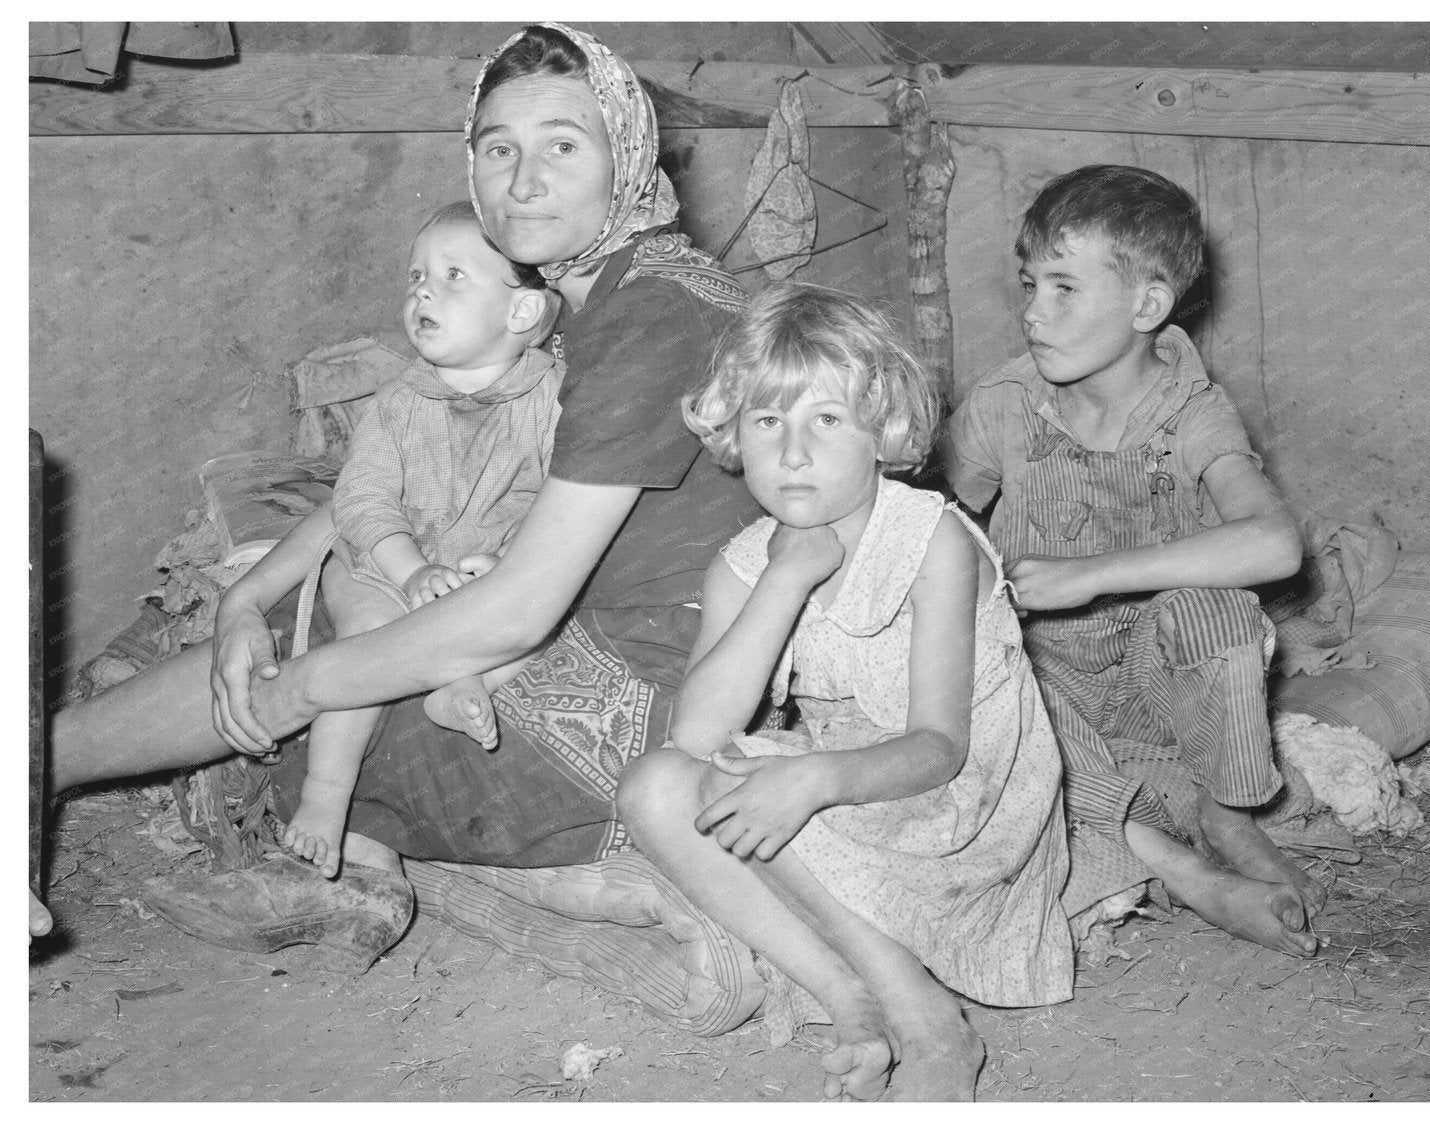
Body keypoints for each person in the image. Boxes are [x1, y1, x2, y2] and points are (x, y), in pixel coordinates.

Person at [41, 24, 761, 970]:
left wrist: (310, 679)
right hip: (611, 642)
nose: (524, 181)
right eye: (497, 148)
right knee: (349, 592)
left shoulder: (646, 317)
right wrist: (244, 597)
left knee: (331, 699)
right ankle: (45, 754)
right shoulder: (608, 292)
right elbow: (389, 492)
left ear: (626, 158)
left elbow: (517, 612)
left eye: (562, 145)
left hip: (651, 704)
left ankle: (48, 761)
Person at [618, 284, 1074, 1102]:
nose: (793, 453)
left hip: (961, 804)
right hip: (846, 788)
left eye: (826, 420)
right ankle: (849, 995)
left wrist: (813, 778)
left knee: (738, 781)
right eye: (767, 422)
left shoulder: (930, 539)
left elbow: (942, 748)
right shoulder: (745, 563)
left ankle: (931, 1025)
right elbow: (695, 734)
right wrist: (784, 579)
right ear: (734, 434)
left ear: (883, 430)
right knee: (655, 788)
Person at [943, 164, 1322, 958]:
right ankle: (1184, 870)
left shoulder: (1192, 413)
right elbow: (933, 525)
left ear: (1148, 305)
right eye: (1028, 286)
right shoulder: (1003, 408)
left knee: (1217, 609)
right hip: (1051, 685)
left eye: (1063, 290)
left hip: (1158, 688)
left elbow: (1275, 543)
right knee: (989, 679)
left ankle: (1227, 809)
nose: (1031, 315)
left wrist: (1092, 572)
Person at [282, 201, 564, 878]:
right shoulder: (397, 403)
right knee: (372, 643)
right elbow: (361, 499)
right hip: (381, 562)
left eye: (453, 276)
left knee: (539, 624)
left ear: (521, 313)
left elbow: (562, 497)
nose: (423, 292)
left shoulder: (553, 400)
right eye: (416, 277)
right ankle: (326, 795)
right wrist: (408, 571)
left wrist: (508, 556)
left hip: (478, 568)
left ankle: (458, 683)